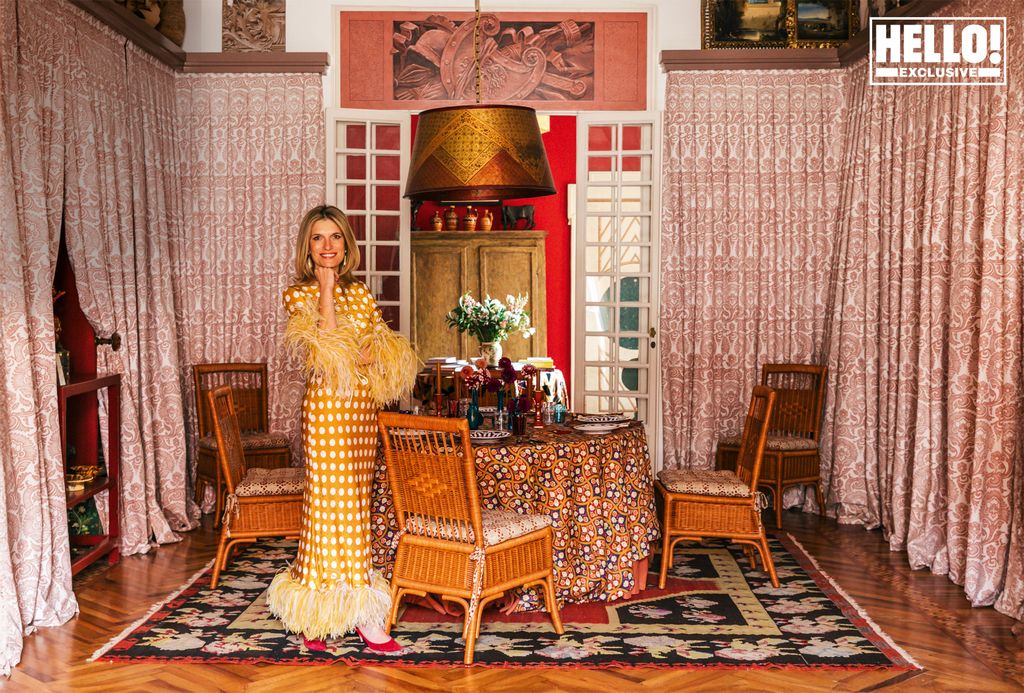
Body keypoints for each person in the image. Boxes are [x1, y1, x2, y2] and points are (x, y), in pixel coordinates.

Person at [267, 205, 419, 652]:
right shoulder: (298, 295)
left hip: (360, 412)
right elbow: (327, 348)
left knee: (356, 504)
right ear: (307, 246)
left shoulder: (364, 295)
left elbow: (377, 352)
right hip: (325, 415)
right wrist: (327, 289)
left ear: (345, 244)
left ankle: (358, 611)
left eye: (335, 236)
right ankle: (318, 612)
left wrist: (349, 349)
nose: (328, 245)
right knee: (326, 509)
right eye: (318, 238)